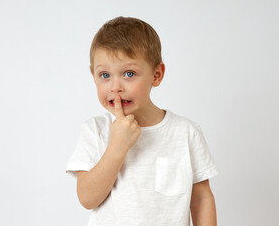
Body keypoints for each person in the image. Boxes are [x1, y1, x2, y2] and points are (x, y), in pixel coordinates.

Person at [65, 16, 220, 226]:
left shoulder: (185, 132)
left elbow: (201, 198)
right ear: (93, 76)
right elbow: (87, 198)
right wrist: (117, 146)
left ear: (156, 75)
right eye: (104, 75)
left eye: (129, 73)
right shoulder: (96, 131)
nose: (115, 87)